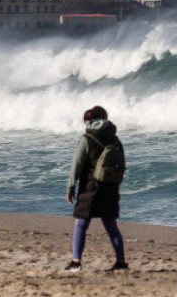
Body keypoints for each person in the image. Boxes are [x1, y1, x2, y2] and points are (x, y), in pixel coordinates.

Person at [65, 105, 128, 272]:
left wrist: (71, 188)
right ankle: (121, 263)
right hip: (110, 189)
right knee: (112, 227)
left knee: (80, 226)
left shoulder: (86, 139)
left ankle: (76, 262)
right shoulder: (115, 140)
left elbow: (76, 166)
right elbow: (121, 165)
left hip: (89, 190)